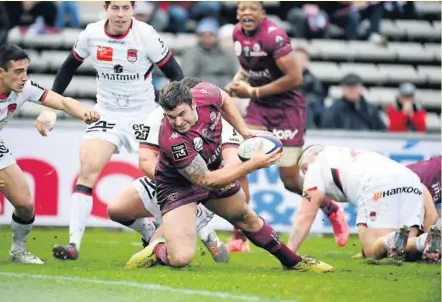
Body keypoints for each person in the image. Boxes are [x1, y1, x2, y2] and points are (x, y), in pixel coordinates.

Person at [124, 80, 333, 273]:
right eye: (171, 116)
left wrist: (244, 131)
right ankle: (158, 249)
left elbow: (224, 98)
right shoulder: (173, 139)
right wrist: (252, 164)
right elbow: (206, 180)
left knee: (245, 216)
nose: (177, 121)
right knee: (181, 258)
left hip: (211, 169)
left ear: (194, 102)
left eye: (181, 114)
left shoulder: (206, 93)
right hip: (178, 185)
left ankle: (294, 262)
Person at [35, 1, 184, 261]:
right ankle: (73, 245)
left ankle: (201, 231)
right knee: (87, 170)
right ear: (106, 7)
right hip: (106, 112)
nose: (120, 14)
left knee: (162, 174)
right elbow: (68, 67)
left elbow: (175, 73)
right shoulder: (91, 34)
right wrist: (52, 108)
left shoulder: (146, 34)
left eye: (126, 8)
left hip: (145, 113)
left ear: (133, 8)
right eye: (115, 7)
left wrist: (180, 113)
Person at [225, 1, 348, 252]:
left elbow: (295, 78)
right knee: (239, 161)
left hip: (287, 111)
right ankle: (240, 233)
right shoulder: (238, 33)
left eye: (252, 9)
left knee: (290, 179)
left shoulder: (274, 36)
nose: (246, 13)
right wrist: (238, 81)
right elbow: (249, 66)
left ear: (263, 14)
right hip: (259, 109)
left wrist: (253, 91)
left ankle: (331, 208)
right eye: (242, 9)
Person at [107, 77, 248, 263]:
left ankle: (186, 226)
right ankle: (159, 231)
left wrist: (202, 184)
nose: (179, 120)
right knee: (116, 210)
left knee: (165, 247)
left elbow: (232, 163)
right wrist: (170, 185)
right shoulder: (159, 116)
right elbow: (145, 160)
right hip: (166, 180)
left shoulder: (218, 119)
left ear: (194, 103)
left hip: (204, 186)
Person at [0, 44, 100, 264]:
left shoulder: (24, 88)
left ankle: (18, 250)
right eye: (18, 72)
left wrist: (85, 113)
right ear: (1, 72)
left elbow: (62, 102)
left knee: (25, 205)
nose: (24, 77)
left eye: (26, 71)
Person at [289, 145, 437, 261]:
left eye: (305, 168)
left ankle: (393, 240)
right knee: (407, 249)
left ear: (314, 155)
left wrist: (288, 253)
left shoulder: (316, 167)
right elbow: (430, 209)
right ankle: (424, 241)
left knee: (373, 251)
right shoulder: (346, 155)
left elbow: (305, 215)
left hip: (377, 184)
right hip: (410, 180)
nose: (306, 172)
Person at [352, 156, 441, 261]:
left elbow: (431, 215)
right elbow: (431, 215)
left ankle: (417, 242)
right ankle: (422, 242)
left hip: (394, 190)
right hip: (406, 188)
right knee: (405, 247)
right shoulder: (414, 180)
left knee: (377, 249)